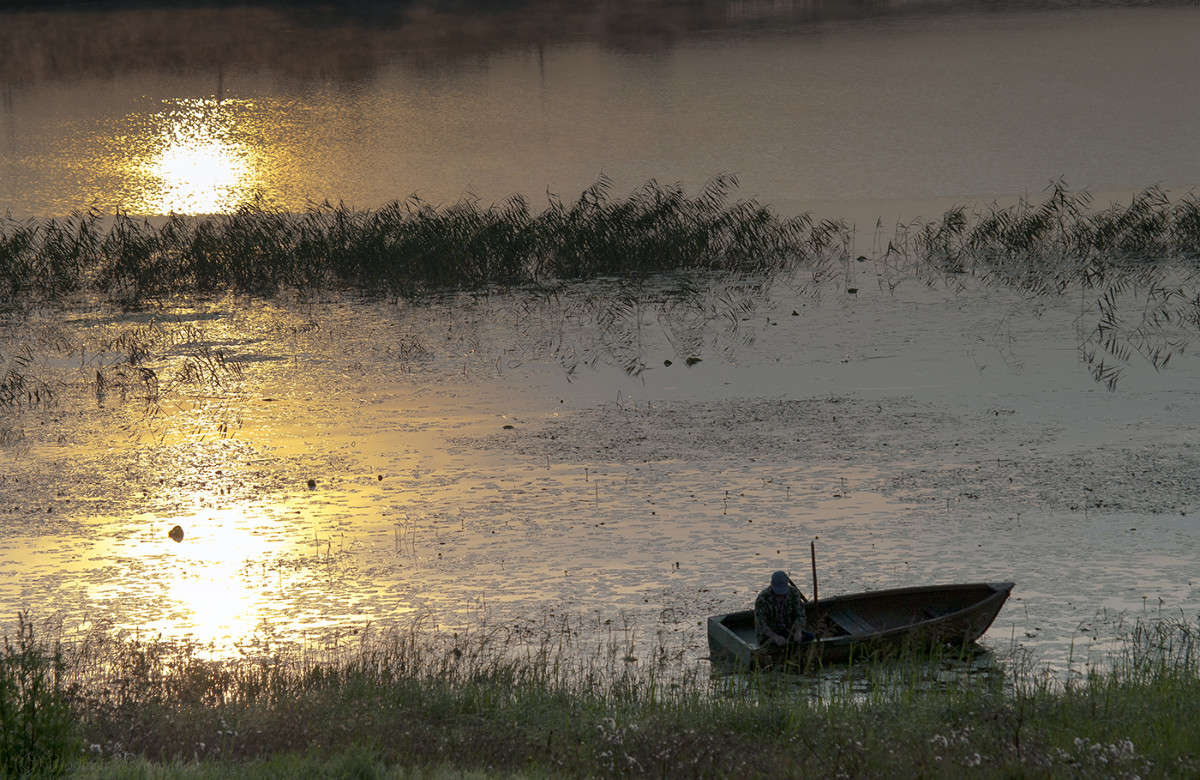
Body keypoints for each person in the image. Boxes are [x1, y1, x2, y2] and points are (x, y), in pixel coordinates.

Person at [754, 570, 809, 647]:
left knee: (809, 638)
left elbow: (801, 615)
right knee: (773, 645)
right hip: (769, 634)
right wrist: (775, 637)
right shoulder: (763, 598)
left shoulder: (794, 593)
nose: (780, 596)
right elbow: (761, 625)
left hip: (788, 630)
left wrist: (798, 631)